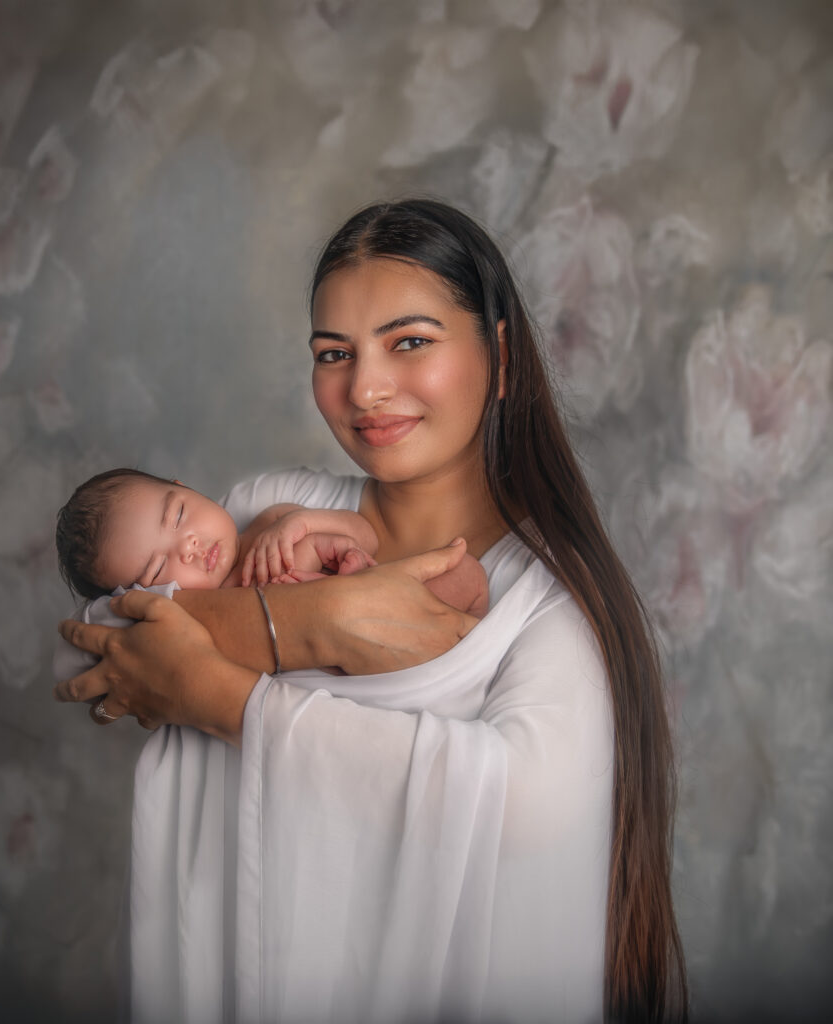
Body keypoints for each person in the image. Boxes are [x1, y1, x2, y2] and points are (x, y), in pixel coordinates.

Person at [54, 199, 688, 1023]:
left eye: (410, 342)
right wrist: (316, 623)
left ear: (500, 356)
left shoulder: (547, 607)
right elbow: (85, 650)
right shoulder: (265, 509)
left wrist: (228, 698)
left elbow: (520, 811)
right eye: (333, 353)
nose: (365, 388)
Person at [54, 466, 489, 609]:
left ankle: (458, 647)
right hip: (350, 670)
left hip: (387, 607)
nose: (188, 545)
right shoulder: (208, 612)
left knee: (466, 574)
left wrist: (300, 526)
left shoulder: (271, 520)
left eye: (179, 515)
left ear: (185, 486)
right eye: (158, 566)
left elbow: (367, 537)